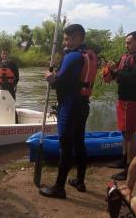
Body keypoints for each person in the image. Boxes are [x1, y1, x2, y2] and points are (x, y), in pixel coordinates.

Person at [39, 24, 96, 199]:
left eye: (67, 39)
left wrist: (50, 77)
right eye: (64, 38)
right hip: (83, 105)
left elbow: (59, 82)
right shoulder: (89, 54)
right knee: (79, 143)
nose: (65, 42)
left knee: (65, 145)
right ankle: (80, 180)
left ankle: (59, 187)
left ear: (78, 38)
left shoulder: (72, 56)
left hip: (69, 107)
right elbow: (72, 78)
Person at [105, 31, 136, 181]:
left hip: (133, 100)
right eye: (126, 43)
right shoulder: (125, 57)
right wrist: (109, 72)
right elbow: (119, 76)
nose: (126, 46)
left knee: (130, 134)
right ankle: (123, 159)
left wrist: (116, 71)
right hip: (123, 98)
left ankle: (129, 168)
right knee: (123, 132)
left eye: (129, 42)